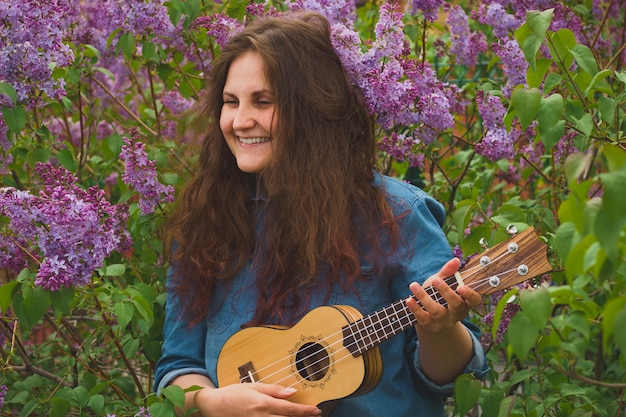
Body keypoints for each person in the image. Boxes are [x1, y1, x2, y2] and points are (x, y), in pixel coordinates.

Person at [154, 11, 488, 417]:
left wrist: (441, 328)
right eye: (230, 102)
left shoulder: (396, 214)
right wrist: (212, 403)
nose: (240, 121)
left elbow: (449, 376)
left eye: (263, 101)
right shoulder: (206, 222)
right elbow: (177, 367)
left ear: (311, 106)